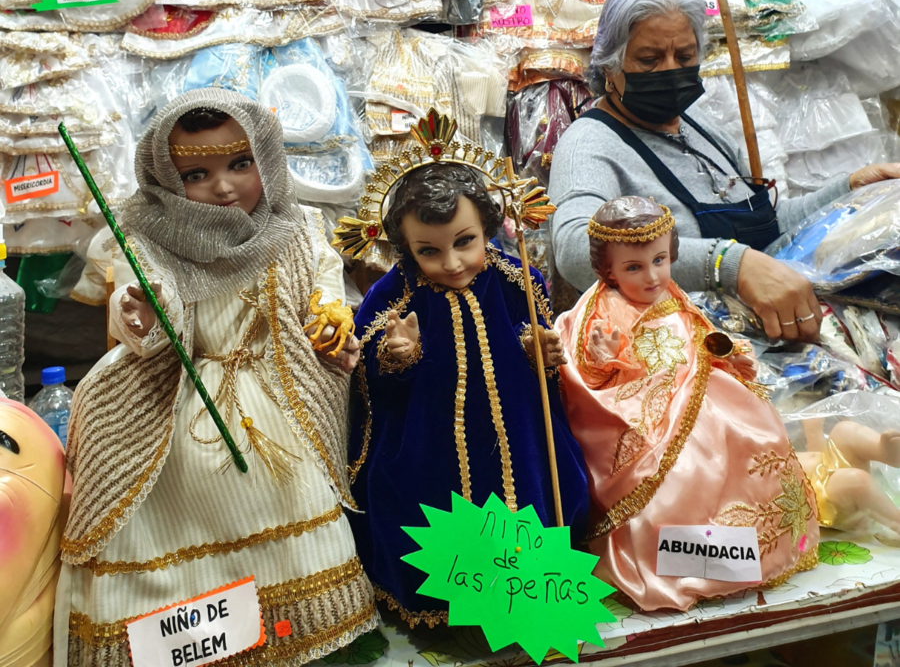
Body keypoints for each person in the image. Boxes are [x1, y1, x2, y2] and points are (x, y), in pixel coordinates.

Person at [55, 89, 376, 667]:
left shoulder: (298, 225)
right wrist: (142, 311)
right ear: (166, 179)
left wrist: (330, 316)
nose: (225, 187)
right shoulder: (149, 238)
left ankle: (292, 630)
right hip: (184, 405)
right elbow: (140, 320)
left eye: (240, 164)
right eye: (197, 173)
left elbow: (324, 285)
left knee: (296, 500)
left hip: (280, 401)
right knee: (188, 508)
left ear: (267, 160)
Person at [549, 0, 900, 341]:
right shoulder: (590, 145)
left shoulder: (699, 128)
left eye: (684, 56)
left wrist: (847, 191)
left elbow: (771, 224)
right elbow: (575, 251)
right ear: (610, 67)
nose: (671, 70)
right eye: (650, 59)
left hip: (769, 340)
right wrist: (727, 265)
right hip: (689, 361)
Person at [346, 158, 589, 629]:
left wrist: (539, 349)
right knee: (430, 515)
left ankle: (531, 601)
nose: (452, 263)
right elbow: (368, 387)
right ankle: (451, 608)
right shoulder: (390, 297)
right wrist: (395, 355)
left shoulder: (518, 278)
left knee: (533, 505)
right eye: (429, 251)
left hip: (518, 438)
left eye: (464, 242)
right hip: (429, 447)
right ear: (405, 246)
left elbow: (535, 346)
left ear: (487, 227)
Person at [555, 196, 819, 612]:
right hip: (648, 417)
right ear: (607, 270)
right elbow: (588, 374)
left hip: (699, 391)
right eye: (634, 268)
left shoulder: (671, 293)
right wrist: (607, 355)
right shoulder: (603, 308)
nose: (652, 276)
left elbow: (698, 332)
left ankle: (741, 555)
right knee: (683, 475)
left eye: (660, 260)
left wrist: (725, 353)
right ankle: (682, 564)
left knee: (745, 436)